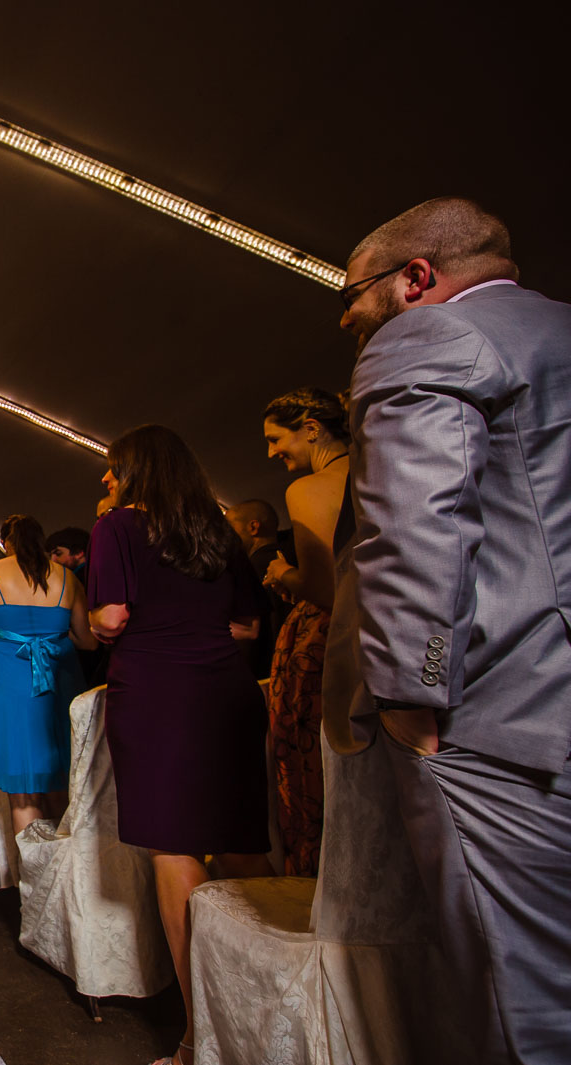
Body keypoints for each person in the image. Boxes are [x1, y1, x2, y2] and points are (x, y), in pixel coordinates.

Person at [337, 197, 571, 1063]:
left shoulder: (426, 337)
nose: (347, 319)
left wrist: (411, 694)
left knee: (520, 999)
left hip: (505, 726)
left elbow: (415, 527)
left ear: (415, 278)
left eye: (353, 296)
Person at [86, 425, 272, 1065]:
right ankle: (274, 1023)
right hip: (227, 686)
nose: (106, 481)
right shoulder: (219, 529)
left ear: (137, 472)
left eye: (114, 469)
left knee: (176, 850)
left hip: (155, 689)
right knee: (245, 847)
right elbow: (247, 624)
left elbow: (110, 616)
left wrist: (100, 622)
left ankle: (201, 1040)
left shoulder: (115, 527)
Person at [255, 390, 350, 877]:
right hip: (378, 634)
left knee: (311, 768)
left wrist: (282, 573)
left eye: (276, 439)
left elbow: (323, 586)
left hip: (325, 641)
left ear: (311, 430)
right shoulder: (374, 469)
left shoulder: (310, 489)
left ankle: (316, 879)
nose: (272, 452)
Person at [0, 515, 93, 832]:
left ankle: (34, 877)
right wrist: (54, 635)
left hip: (9, 680)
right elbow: (89, 641)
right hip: (59, 677)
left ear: (7, 543)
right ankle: (64, 874)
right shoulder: (67, 577)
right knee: (60, 775)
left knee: (22, 790)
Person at [224, 498, 294, 681]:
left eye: (228, 526)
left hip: (263, 673)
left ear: (253, 527)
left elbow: (251, 630)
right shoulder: (292, 563)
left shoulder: (247, 571)